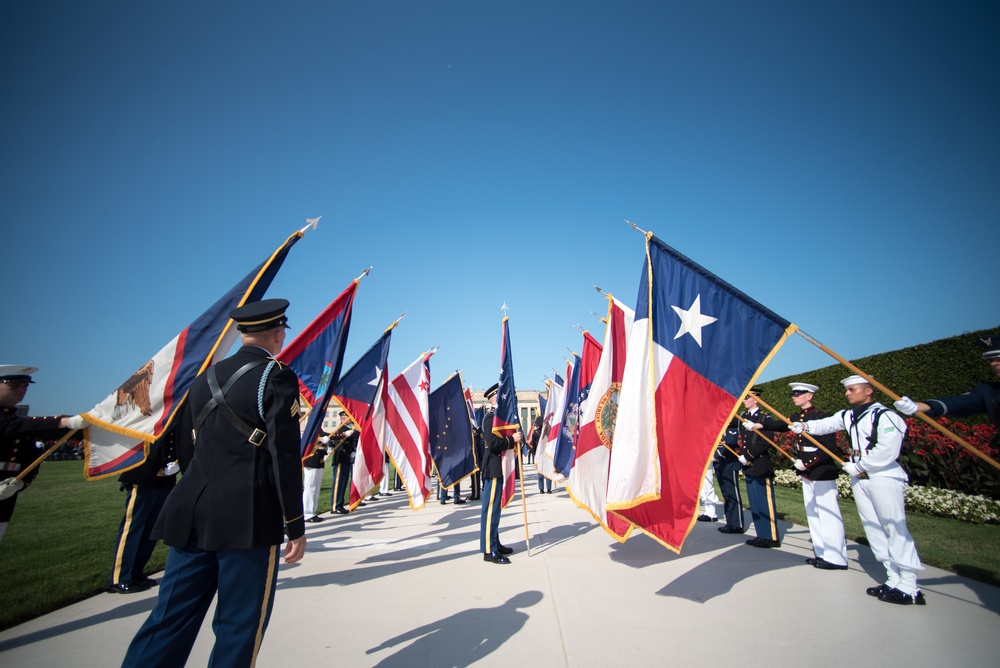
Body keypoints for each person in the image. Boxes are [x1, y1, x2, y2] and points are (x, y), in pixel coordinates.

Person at [121, 299, 307, 667]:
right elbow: (283, 456)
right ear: (277, 332)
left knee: (169, 618)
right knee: (238, 625)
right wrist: (294, 524)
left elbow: (190, 447)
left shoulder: (205, 377)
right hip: (246, 517)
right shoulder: (277, 375)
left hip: (191, 507)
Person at [792, 375, 925, 605]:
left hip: (883, 476)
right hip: (861, 477)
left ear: (869, 390)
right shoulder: (849, 415)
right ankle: (893, 577)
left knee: (894, 527)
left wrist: (861, 465)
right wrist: (805, 426)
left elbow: (888, 450)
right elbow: (828, 424)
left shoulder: (885, 415)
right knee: (874, 528)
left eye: (852, 389)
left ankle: (910, 585)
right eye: (847, 390)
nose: (847, 393)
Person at [756, 382, 847, 569]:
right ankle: (821, 553)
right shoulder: (796, 417)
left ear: (809, 396)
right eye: (793, 394)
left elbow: (827, 449)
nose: (794, 397)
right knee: (813, 514)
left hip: (821, 471)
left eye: (798, 394)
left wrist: (807, 463)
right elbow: (779, 425)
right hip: (807, 472)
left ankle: (836, 557)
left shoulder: (821, 417)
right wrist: (757, 424)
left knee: (828, 514)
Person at [0, 365, 75, 542]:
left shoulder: (15, 419)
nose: (21, 391)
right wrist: (66, 421)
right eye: (14, 386)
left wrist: (21, 482)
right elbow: (12, 428)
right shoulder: (13, 423)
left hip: (7, 492)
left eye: (24, 387)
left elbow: (30, 456)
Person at [894, 335, 1000, 451]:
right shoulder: (989, 391)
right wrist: (917, 406)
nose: (993, 364)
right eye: (991, 360)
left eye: (998, 358)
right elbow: (958, 403)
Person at [107, 427, 180, 593]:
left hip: (164, 479)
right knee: (133, 528)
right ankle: (120, 578)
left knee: (151, 530)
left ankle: (136, 573)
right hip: (142, 475)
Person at [480, 383, 521, 564]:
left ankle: (495, 542)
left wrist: (517, 436)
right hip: (493, 467)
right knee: (490, 510)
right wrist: (512, 439)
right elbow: (493, 443)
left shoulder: (502, 419)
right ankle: (489, 550)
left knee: (495, 510)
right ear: (494, 398)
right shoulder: (490, 418)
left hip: (500, 467)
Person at [737, 389, 780, 548]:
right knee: (755, 502)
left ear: (756, 399)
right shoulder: (745, 417)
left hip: (760, 464)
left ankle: (771, 536)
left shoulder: (764, 418)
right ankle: (761, 535)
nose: (744, 400)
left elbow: (765, 442)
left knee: (764, 502)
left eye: (747, 398)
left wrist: (748, 455)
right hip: (749, 466)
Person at [714, 424, 745, 533]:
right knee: (726, 494)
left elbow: (729, 445)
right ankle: (731, 522)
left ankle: (737, 524)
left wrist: (716, 456)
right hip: (720, 465)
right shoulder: (721, 426)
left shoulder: (731, 427)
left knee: (733, 495)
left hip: (729, 464)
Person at [330, 411, 358, 514]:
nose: (351, 419)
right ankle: (335, 506)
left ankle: (339, 505)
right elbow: (335, 437)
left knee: (343, 483)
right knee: (338, 483)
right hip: (340, 459)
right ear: (343, 419)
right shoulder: (341, 429)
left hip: (345, 459)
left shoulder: (347, 430)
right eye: (349, 417)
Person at [302, 432, 330, 523]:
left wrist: (325, 453)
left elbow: (330, 436)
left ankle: (312, 512)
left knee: (316, 488)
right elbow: (306, 438)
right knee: (310, 488)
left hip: (319, 461)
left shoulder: (320, 430)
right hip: (311, 462)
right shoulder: (312, 428)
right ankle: (307, 513)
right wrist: (319, 439)